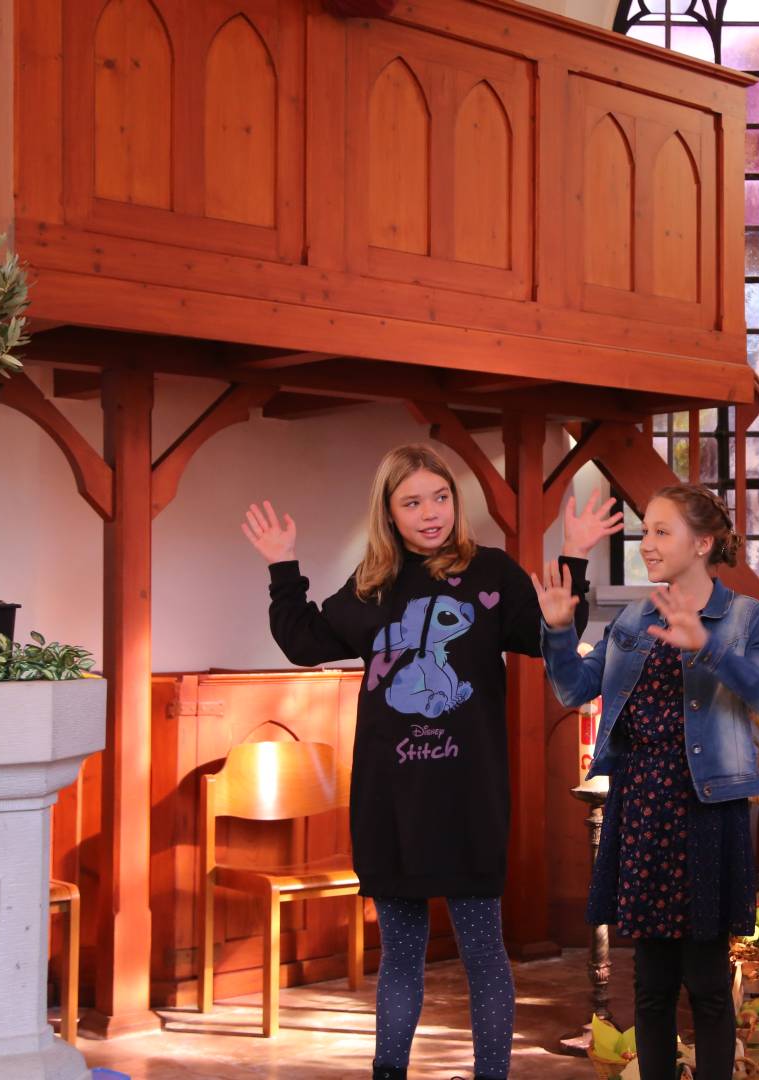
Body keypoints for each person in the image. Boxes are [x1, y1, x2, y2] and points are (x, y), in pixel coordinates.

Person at [241, 444, 623, 1080]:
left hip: (469, 796)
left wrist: (574, 558)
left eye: (440, 497)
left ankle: (490, 1074)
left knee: (482, 951)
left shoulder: (492, 575)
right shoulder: (370, 587)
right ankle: (387, 1072)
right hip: (390, 802)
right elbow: (304, 642)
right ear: (389, 513)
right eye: (412, 502)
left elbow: (547, 631)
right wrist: (283, 566)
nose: (430, 513)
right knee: (401, 954)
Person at [534, 484, 759, 1080]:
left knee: (703, 980)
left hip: (707, 810)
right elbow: (574, 688)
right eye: (644, 530)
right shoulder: (633, 616)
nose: (645, 543)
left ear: (702, 543)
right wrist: (556, 631)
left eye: (660, 531)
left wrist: (707, 648)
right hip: (642, 805)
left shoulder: (743, 616)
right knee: (648, 982)